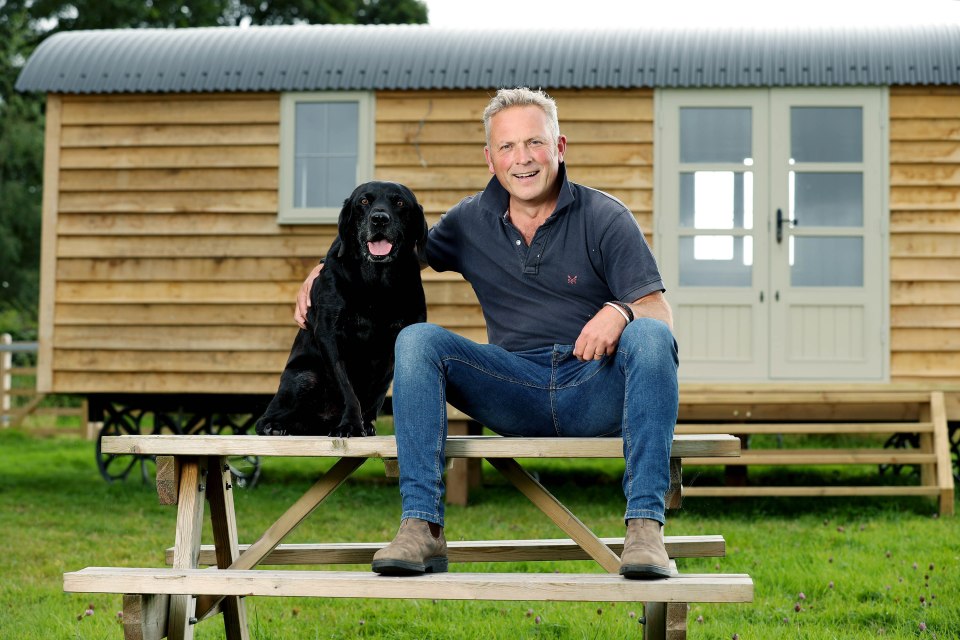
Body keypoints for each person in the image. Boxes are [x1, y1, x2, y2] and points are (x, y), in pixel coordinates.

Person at [295, 87, 679, 580]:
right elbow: (387, 246)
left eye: (535, 144)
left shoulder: (605, 217)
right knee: (417, 340)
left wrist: (622, 311)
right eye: (508, 147)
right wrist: (323, 271)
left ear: (559, 147)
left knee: (650, 336)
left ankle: (645, 528)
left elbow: (659, 312)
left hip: (593, 386)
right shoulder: (469, 221)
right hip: (513, 386)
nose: (523, 160)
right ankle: (422, 527)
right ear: (490, 157)